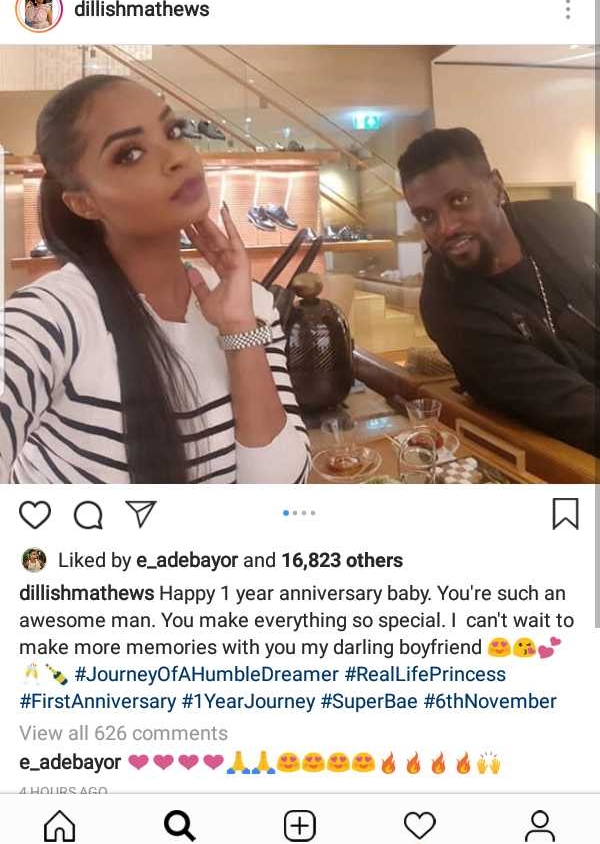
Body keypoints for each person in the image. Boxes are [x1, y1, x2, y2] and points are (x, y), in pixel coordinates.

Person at [0, 75, 310, 483]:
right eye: (129, 154)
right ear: (84, 203)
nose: (176, 157)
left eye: (173, 131)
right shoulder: (49, 317)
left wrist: (238, 328)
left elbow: (282, 490)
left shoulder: (249, 302)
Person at [398, 128, 599, 456]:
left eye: (459, 200)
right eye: (426, 216)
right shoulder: (447, 306)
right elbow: (572, 410)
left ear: (496, 187)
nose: (446, 227)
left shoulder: (571, 221)